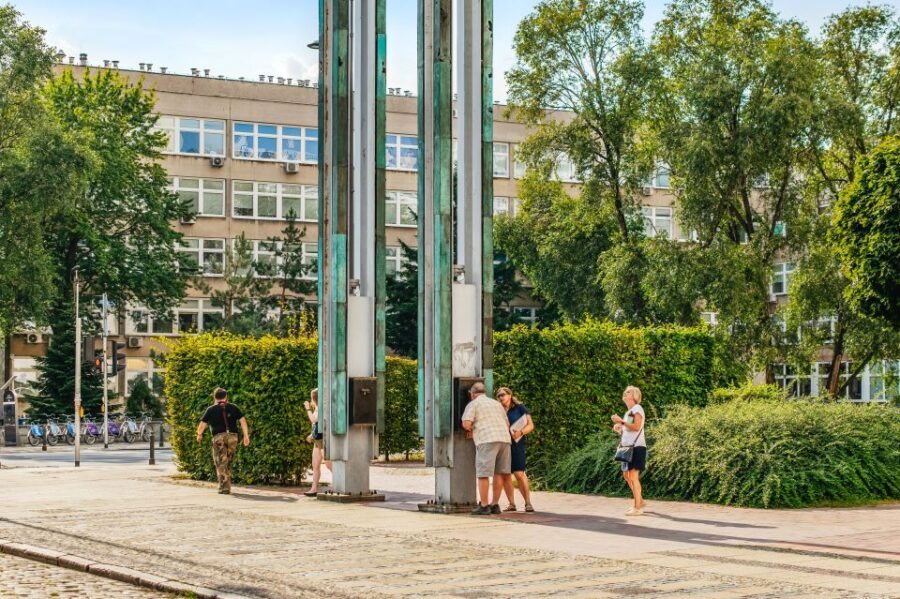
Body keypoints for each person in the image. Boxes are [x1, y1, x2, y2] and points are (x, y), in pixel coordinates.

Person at [461, 382, 512, 515]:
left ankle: (484, 506)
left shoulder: (473, 404)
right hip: (505, 439)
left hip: (487, 439)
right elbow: (507, 423)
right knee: (499, 472)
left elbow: (466, 423)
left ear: (472, 394)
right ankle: (495, 505)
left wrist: (472, 429)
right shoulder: (496, 404)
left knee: (483, 473)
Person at [196, 387, 250, 494]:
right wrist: (246, 435)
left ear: (214, 397)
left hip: (219, 438)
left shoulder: (211, 409)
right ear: (226, 397)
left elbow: (202, 425)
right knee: (228, 461)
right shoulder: (234, 407)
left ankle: (224, 488)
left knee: (220, 462)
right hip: (233, 437)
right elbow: (243, 421)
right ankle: (226, 486)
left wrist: (199, 434)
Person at [497, 387, 535, 513]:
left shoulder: (520, 407)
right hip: (503, 444)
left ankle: (528, 503)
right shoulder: (497, 410)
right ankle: (511, 503)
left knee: (519, 473)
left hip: (517, 443)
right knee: (505, 474)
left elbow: (530, 425)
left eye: (502, 394)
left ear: (509, 395)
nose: (501, 397)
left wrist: (521, 432)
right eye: (498, 396)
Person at [611, 385, 646, 516]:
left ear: (635, 396)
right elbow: (629, 428)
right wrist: (620, 428)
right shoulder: (630, 411)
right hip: (628, 448)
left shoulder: (637, 408)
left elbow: (636, 427)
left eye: (629, 392)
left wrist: (622, 421)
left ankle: (637, 507)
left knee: (633, 476)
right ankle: (640, 501)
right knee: (627, 476)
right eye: (625, 391)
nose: (625, 393)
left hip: (637, 447)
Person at [304, 388, 331, 497]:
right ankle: (313, 488)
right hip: (317, 439)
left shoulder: (322, 408)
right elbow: (317, 425)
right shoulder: (319, 408)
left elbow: (314, 420)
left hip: (322, 439)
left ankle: (343, 483)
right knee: (315, 464)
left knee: (329, 465)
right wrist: (312, 435)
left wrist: (307, 409)